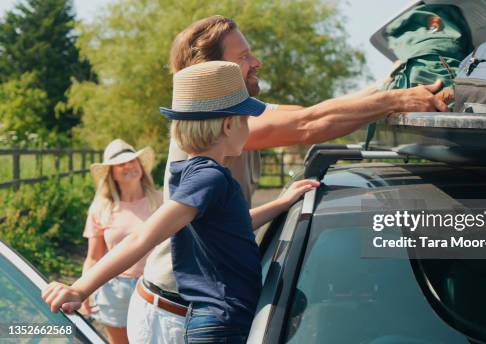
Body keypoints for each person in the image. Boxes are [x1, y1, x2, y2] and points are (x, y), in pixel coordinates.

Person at [131, 15, 452, 344]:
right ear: (214, 73)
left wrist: (387, 86)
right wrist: (396, 101)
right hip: (177, 314)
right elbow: (308, 126)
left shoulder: (238, 111)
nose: (257, 62)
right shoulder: (216, 122)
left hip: (202, 310)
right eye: (243, 57)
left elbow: (311, 111)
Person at [42, 61, 320, 343]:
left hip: (219, 320)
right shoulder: (209, 178)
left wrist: (281, 203)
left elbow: (233, 225)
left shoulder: (189, 173)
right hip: (222, 323)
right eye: (246, 120)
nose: (249, 128)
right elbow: (142, 237)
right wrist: (79, 289)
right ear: (227, 125)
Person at [81, 139, 162, 344]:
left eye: (133, 161)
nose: (129, 166)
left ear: (141, 166)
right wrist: (84, 291)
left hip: (156, 285)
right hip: (115, 289)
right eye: (121, 164)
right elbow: (94, 257)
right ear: (111, 173)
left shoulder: (162, 201)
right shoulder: (101, 208)